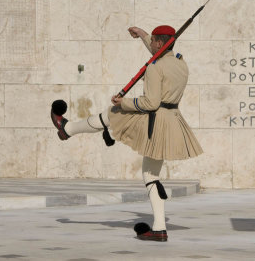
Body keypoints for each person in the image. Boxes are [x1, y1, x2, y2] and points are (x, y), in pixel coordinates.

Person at [51, 25, 203, 242]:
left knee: (115, 113)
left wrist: (125, 101)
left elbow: (150, 102)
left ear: (159, 43)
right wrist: (142, 35)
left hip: (155, 120)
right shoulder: (181, 63)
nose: (150, 44)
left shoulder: (154, 67)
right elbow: (160, 53)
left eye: (152, 41)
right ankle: (159, 228)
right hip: (172, 120)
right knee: (114, 119)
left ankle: (68, 130)